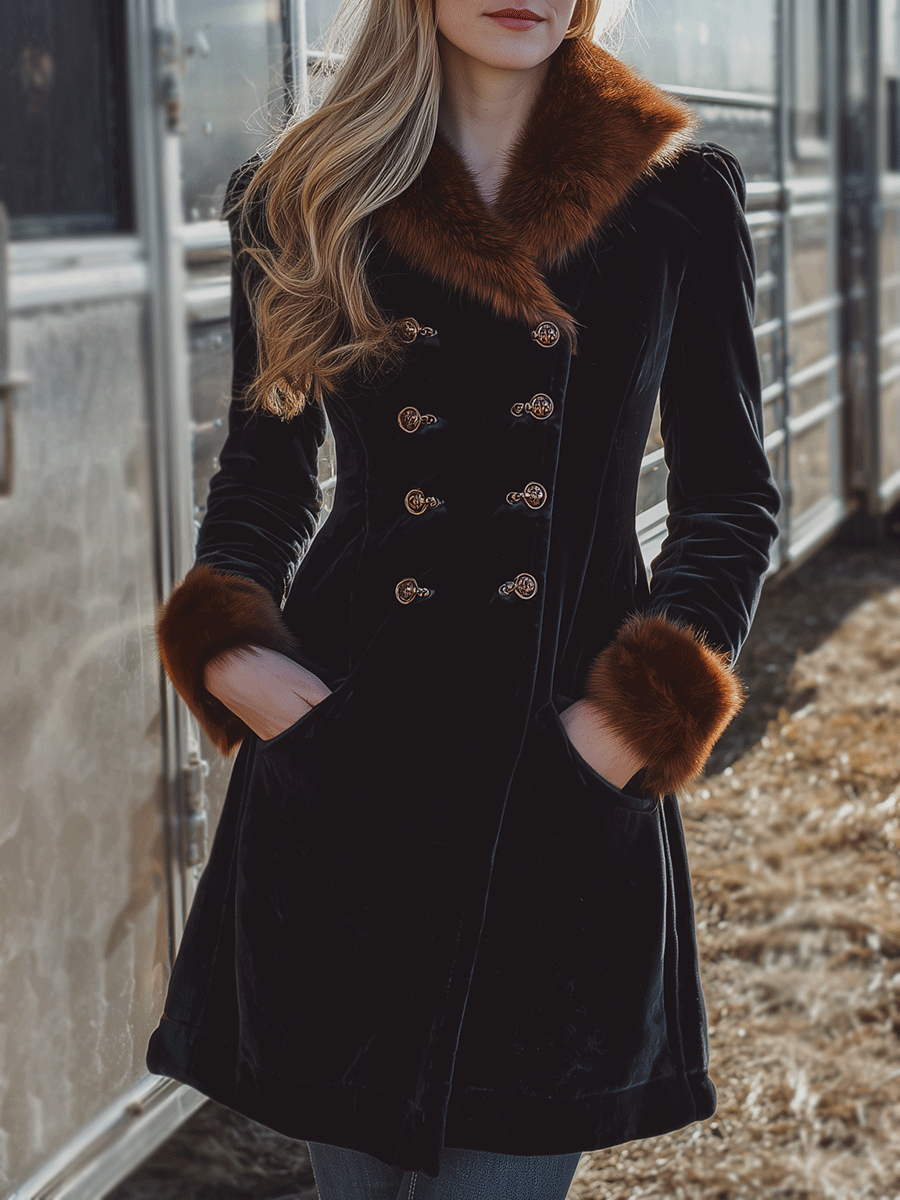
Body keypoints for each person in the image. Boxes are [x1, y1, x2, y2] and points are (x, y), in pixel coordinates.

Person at [146, 0, 782, 1196]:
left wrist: (622, 728)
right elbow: (261, 482)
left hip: (557, 768)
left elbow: (730, 500)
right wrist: (241, 666)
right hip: (346, 759)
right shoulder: (299, 191)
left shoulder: (675, 192)